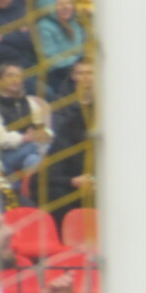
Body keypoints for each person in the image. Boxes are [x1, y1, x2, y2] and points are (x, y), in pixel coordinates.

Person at [43, 59, 95, 217]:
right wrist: (73, 181)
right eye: (81, 73)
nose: (85, 78)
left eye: (90, 73)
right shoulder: (62, 104)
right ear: (73, 76)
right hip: (71, 157)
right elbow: (60, 132)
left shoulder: (112, 107)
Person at [0, 63, 53, 177]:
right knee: (43, 149)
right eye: (9, 75)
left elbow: (43, 130)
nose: (15, 79)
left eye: (18, 76)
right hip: (7, 155)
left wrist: (44, 134)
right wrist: (24, 138)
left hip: (32, 150)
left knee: (33, 160)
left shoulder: (30, 102)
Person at [35, 0, 85, 99]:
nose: (65, 7)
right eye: (60, 4)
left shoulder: (75, 23)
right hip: (57, 75)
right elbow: (52, 61)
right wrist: (77, 62)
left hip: (79, 70)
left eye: (68, 3)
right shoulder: (43, 27)